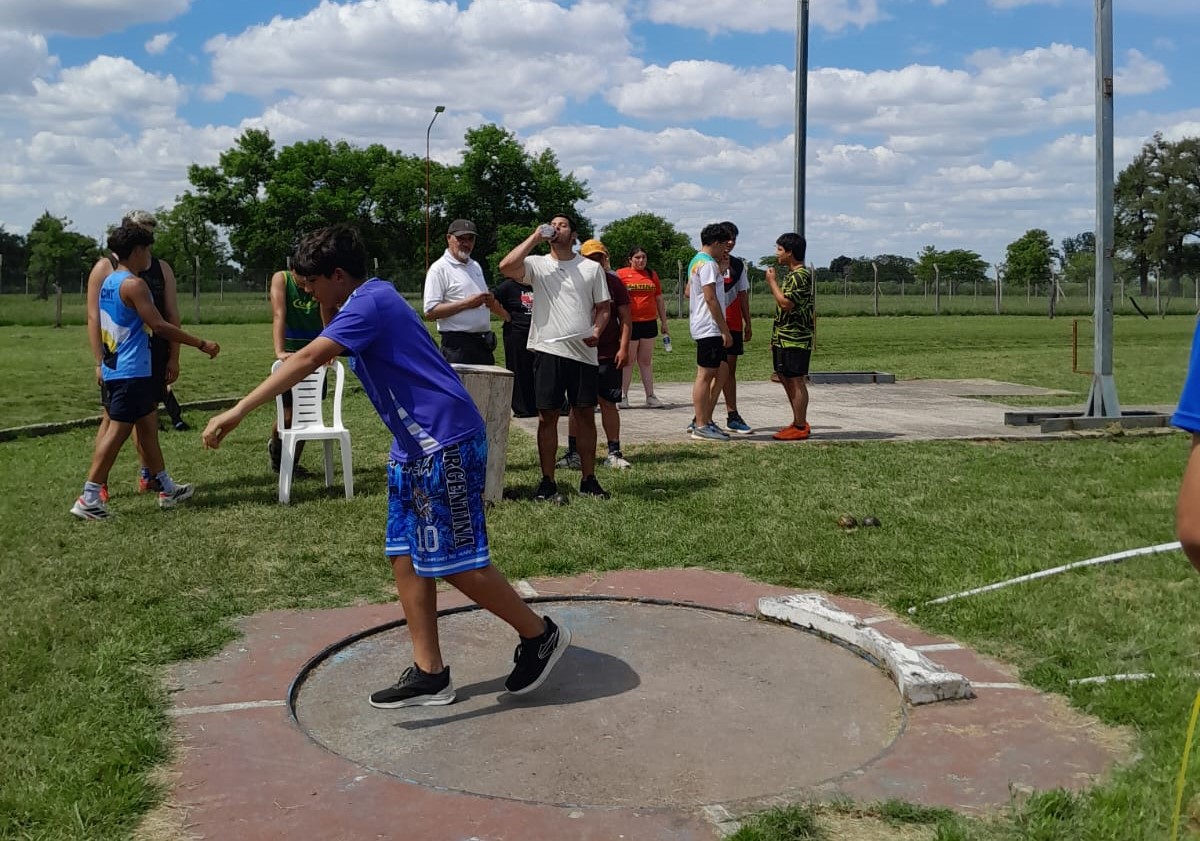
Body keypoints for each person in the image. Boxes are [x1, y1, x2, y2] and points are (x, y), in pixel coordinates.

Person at [202, 224, 571, 707]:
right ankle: (429, 672)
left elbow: (311, 355)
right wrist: (323, 301)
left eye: (311, 284)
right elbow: (327, 331)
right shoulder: (363, 300)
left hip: (444, 441)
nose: (308, 294)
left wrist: (236, 412)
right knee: (405, 554)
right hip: (412, 449)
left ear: (338, 275)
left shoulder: (369, 304)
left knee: (457, 563)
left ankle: (539, 634)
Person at [72, 222, 220, 520]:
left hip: (122, 368)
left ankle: (166, 488)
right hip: (130, 371)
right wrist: (201, 343)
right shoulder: (134, 284)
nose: (149, 256)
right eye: (147, 249)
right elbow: (161, 325)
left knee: (149, 429)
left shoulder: (109, 282)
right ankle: (88, 497)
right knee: (116, 433)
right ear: (137, 251)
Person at [499, 215, 611, 501]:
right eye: (553, 224)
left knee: (584, 414)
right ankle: (548, 480)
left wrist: (597, 330)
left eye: (562, 225)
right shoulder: (538, 264)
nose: (556, 227)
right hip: (548, 350)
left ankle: (589, 479)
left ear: (573, 234)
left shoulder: (590, 268)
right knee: (547, 416)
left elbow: (603, 307)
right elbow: (506, 266)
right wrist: (535, 237)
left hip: (583, 353)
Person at [86, 210, 187, 500]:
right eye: (142, 233)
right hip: (121, 357)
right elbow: (95, 317)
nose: (148, 242)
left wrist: (173, 357)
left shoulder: (160, 268)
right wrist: (99, 360)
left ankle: (155, 479)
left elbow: (171, 315)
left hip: (150, 354)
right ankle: (95, 487)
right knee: (114, 422)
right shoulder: (109, 270)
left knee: (147, 419)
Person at [557, 240, 632, 470]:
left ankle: (614, 452)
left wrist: (624, 347)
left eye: (599, 257)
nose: (595, 262)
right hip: (579, 353)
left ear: (605, 258)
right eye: (590, 257)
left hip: (607, 353)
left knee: (609, 403)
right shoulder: (572, 281)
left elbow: (626, 318)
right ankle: (573, 453)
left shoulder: (614, 283)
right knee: (577, 405)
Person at [268, 264, 334, 473]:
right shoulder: (282, 279)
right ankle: (277, 451)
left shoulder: (317, 282)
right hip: (290, 354)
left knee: (306, 414)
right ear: (292, 269)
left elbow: (327, 315)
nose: (305, 281)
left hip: (315, 353)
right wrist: (280, 350)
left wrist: (329, 347)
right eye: (301, 275)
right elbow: (279, 314)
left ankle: (292, 464)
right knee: (288, 415)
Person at [422, 219, 505, 365]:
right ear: (449, 238)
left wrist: (489, 301)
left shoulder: (475, 266)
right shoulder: (439, 269)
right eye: (461, 239)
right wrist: (467, 304)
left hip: (483, 345)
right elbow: (430, 312)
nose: (466, 244)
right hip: (457, 347)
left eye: (470, 239)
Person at [686, 223, 735, 441]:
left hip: (704, 324)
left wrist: (721, 271)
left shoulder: (697, 261)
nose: (726, 248)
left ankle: (704, 417)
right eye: (724, 244)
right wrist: (724, 329)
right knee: (705, 375)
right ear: (715, 243)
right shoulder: (708, 265)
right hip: (709, 326)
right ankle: (700, 423)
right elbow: (710, 298)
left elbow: (689, 290)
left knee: (721, 370)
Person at [765, 232, 815, 440]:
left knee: (795, 380)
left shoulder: (799, 276)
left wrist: (772, 282)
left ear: (790, 252)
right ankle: (797, 420)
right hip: (784, 336)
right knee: (785, 377)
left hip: (795, 338)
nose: (777, 254)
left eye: (779, 249)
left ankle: (800, 424)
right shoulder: (793, 276)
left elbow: (786, 304)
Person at [615, 246, 668, 408]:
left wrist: (664, 322)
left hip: (649, 321)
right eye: (637, 257)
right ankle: (623, 396)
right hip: (630, 322)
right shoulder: (621, 274)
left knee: (645, 361)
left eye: (643, 257)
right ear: (630, 260)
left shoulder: (651, 275)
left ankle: (650, 395)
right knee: (628, 360)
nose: (641, 260)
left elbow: (658, 299)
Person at [719, 222, 754, 434]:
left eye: (734, 238)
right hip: (711, 326)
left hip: (733, 325)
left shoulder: (738, 266)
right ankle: (701, 416)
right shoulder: (704, 262)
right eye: (727, 237)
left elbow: (742, 295)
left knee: (729, 371)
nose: (730, 242)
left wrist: (747, 322)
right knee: (710, 371)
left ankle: (732, 415)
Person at [492, 276, 537, 417]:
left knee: (540, 369)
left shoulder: (538, 283)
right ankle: (522, 407)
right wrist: (506, 316)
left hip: (539, 332)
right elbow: (490, 298)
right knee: (519, 368)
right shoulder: (508, 286)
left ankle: (544, 404)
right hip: (516, 332)